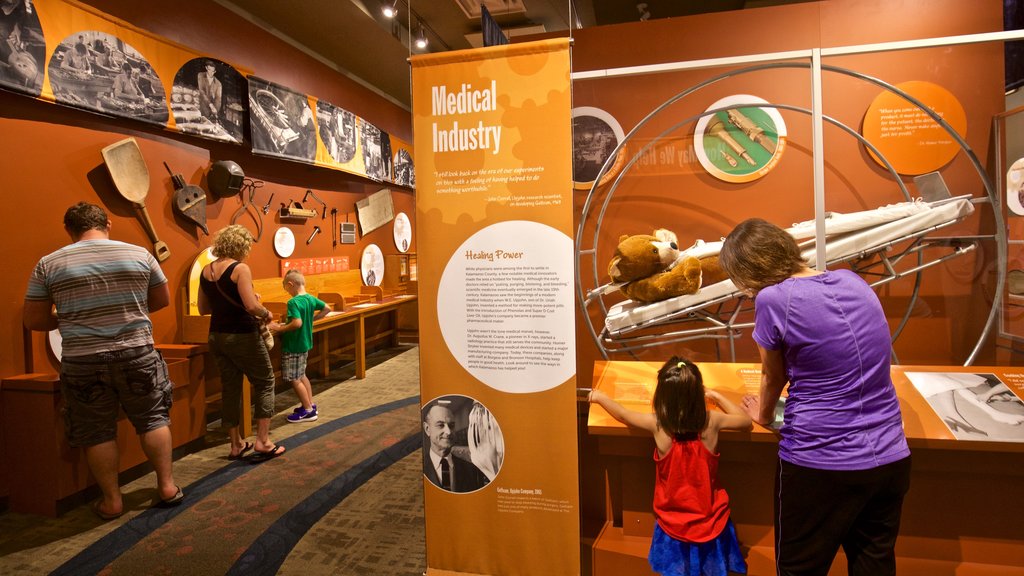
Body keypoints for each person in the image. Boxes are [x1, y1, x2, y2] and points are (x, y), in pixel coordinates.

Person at [717, 218, 912, 576]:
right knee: (874, 563)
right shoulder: (852, 280)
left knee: (799, 568)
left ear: (747, 270)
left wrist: (763, 414)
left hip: (821, 463)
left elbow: (772, 375)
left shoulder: (772, 298)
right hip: (891, 457)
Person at [22, 202, 182, 520]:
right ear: (107, 223)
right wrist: (129, 307)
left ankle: (112, 501)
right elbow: (161, 299)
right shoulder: (140, 255)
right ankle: (166, 486)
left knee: (96, 431)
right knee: (152, 418)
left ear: (69, 229)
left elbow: (34, 319)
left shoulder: (49, 264)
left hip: (83, 359)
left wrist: (65, 315)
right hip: (137, 352)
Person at [589, 357, 751, 576]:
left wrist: (600, 397)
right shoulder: (712, 421)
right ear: (696, 395)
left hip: (673, 524)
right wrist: (716, 395)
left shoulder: (658, 426)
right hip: (710, 521)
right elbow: (745, 421)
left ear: (663, 397)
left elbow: (623, 415)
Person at [198, 225, 286, 462]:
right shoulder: (240, 268)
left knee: (230, 387)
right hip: (242, 334)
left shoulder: (206, 271)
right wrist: (265, 312)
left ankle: (236, 444)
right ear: (242, 246)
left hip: (216, 334)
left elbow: (204, 308)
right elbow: (250, 306)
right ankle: (263, 441)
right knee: (265, 381)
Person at [269, 269, 331, 424]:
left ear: (290, 284)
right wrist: (313, 319)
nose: (287, 291)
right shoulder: (310, 299)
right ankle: (310, 405)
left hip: (293, 345)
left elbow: (297, 323)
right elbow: (327, 308)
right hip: (305, 343)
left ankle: (308, 411)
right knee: (302, 375)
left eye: (285, 287)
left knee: (295, 379)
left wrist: (278, 328)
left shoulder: (293, 302)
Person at [422, 402, 490, 493]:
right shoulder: (419, 467)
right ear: (427, 429)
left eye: (451, 426)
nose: (449, 432)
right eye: (440, 425)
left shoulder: (472, 470)